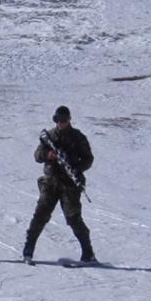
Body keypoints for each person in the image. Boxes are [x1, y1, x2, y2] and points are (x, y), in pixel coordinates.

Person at [22, 106, 96, 263]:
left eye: (63, 120)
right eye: (57, 120)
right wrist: (48, 155)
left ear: (69, 119)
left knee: (74, 218)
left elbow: (88, 159)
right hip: (51, 182)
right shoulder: (49, 137)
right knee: (40, 215)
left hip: (69, 184)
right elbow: (37, 155)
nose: (60, 123)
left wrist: (74, 167)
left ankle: (88, 253)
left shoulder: (78, 138)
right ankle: (28, 251)